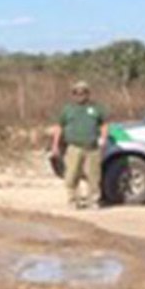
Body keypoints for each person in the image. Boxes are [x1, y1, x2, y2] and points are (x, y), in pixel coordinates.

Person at [51, 81, 109, 209]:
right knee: (71, 175)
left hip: (92, 148)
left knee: (93, 176)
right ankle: (73, 200)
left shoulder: (96, 108)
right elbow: (59, 127)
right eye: (76, 92)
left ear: (88, 93)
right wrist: (55, 145)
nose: (80, 95)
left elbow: (104, 125)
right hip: (74, 147)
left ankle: (93, 200)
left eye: (83, 92)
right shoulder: (68, 109)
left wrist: (103, 139)